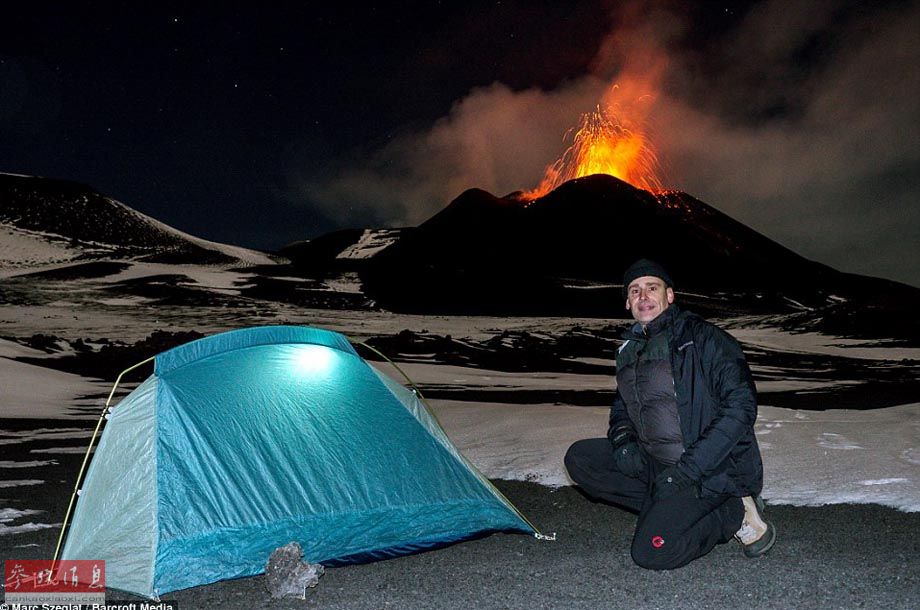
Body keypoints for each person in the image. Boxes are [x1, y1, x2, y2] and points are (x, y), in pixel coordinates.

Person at [564, 258, 776, 569]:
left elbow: (741, 407)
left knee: (651, 553)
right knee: (580, 459)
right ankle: (667, 506)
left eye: (652, 288)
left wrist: (688, 470)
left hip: (707, 470)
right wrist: (624, 442)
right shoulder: (630, 350)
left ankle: (731, 512)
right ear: (627, 302)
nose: (643, 296)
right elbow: (622, 405)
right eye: (634, 291)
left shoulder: (703, 339)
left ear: (670, 295)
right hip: (658, 464)